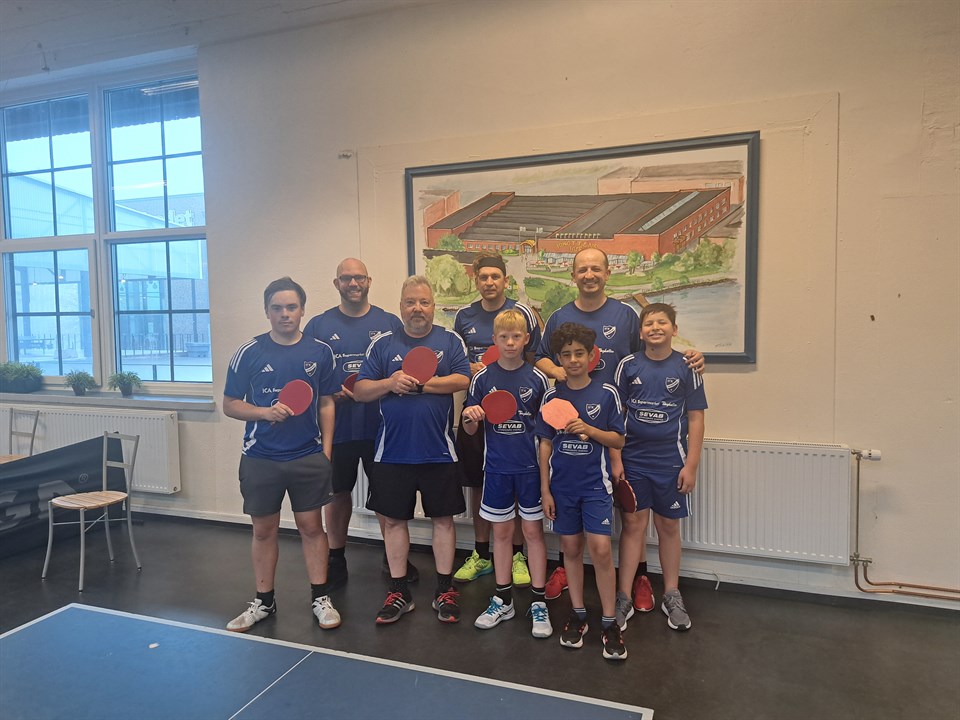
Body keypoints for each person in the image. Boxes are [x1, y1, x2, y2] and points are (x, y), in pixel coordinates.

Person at [534, 246, 704, 609]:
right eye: (583, 269)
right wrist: (558, 371)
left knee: (630, 512)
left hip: (617, 429)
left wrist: (691, 355)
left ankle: (638, 578)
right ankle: (566, 567)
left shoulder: (626, 315)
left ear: (607, 273)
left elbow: (653, 352)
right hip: (572, 426)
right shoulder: (559, 316)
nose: (589, 274)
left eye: (596, 268)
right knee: (572, 498)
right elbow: (541, 356)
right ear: (573, 275)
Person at [222, 277, 341, 632]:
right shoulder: (249, 352)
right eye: (277, 308)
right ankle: (264, 601)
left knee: (312, 528)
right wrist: (264, 412)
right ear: (267, 311)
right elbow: (230, 404)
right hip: (260, 457)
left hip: (307, 456)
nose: (285, 314)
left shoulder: (320, 352)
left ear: (302, 310)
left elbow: (327, 403)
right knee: (263, 530)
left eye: (291, 307)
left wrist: (326, 452)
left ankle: (321, 598)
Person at [353, 276, 471, 625]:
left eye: (423, 302)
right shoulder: (382, 345)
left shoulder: (450, 340)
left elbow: (463, 379)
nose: (417, 308)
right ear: (401, 306)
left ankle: (445, 590)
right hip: (391, 453)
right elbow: (360, 390)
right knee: (393, 522)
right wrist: (390, 382)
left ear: (433, 306)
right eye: (410, 302)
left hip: (439, 451)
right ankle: (399, 592)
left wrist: (423, 385)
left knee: (443, 521)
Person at [303, 258, 418, 589]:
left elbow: (401, 370)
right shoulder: (318, 326)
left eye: (359, 278)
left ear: (369, 281)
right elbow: (306, 374)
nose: (353, 283)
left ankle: (393, 559)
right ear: (336, 283)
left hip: (381, 429)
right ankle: (336, 557)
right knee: (338, 494)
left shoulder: (389, 322)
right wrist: (327, 391)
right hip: (336, 429)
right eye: (346, 278)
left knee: (386, 497)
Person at [536, 322, 626, 660]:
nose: (573, 360)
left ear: (591, 356)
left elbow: (618, 440)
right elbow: (545, 444)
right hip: (562, 489)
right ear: (559, 359)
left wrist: (589, 428)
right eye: (566, 354)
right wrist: (545, 490)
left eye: (579, 354)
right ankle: (577, 615)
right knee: (571, 549)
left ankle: (609, 622)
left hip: (596, 487)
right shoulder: (552, 396)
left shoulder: (607, 394)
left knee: (601, 550)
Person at [613, 303, 706, 632]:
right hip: (633, 461)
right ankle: (623, 596)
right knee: (632, 526)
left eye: (662, 322)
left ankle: (671, 594)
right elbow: (616, 415)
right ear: (640, 332)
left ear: (674, 329)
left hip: (671, 461)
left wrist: (691, 465)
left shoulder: (688, 366)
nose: (655, 327)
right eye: (649, 323)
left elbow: (696, 418)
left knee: (668, 527)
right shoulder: (627, 366)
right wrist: (617, 458)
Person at [461, 309, 552, 637]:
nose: (510, 342)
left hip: (530, 471)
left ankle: (539, 602)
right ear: (494, 341)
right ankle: (503, 600)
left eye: (516, 336)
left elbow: (547, 432)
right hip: (497, 469)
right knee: (500, 534)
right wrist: (471, 416)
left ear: (526, 339)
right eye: (504, 337)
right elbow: (470, 428)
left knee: (532, 533)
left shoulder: (538, 379)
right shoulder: (482, 378)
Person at [453, 254, 542, 587]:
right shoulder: (464, 316)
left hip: (518, 422)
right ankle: (481, 554)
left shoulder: (523, 314)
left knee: (517, 481)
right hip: (479, 411)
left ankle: (518, 556)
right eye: (483, 277)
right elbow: (456, 361)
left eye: (495, 276)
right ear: (476, 280)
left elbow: (532, 360)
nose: (489, 282)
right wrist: (472, 373)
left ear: (505, 280)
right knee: (481, 482)